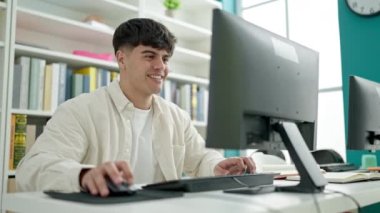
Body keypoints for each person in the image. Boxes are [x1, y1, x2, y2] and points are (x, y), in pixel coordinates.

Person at [16, 18, 256, 197]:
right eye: (150, 56)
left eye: (165, 58)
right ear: (121, 59)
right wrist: (83, 175)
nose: (160, 66)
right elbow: (31, 169)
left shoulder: (176, 117)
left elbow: (200, 157)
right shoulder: (80, 110)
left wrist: (218, 165)